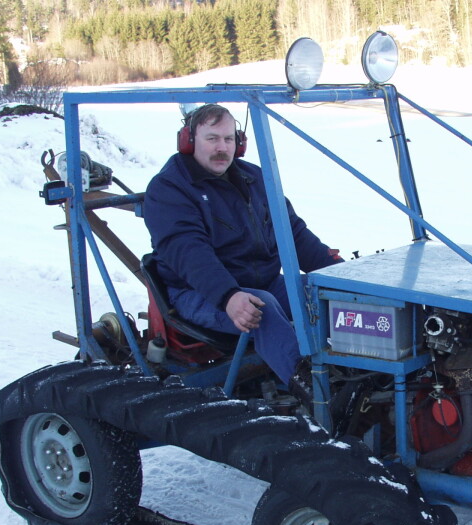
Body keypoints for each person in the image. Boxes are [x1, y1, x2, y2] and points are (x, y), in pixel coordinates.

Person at [142, 104, 341, 401]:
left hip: (262, 281)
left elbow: (292, 231)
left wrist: (337, 272)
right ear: (189, 141)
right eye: (212, 139)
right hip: (199, 293)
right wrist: (228, 296)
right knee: (261, 308)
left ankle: (357, 372)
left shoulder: (254, 178)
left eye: (228, 139)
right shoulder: (169, 189)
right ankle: (320, 393)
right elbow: (189, 253)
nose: (222, 148)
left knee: (324, 294)